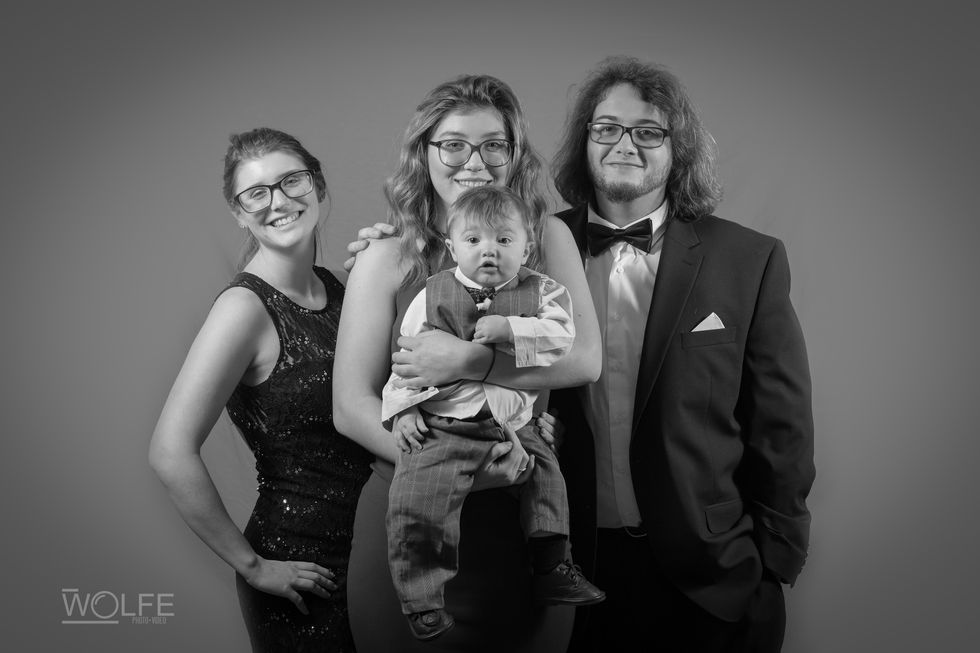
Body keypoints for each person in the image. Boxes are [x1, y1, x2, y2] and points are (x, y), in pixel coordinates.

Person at [348, 56, 815, 653]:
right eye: (607, 129)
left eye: (648, 131)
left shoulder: (559, 241)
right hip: (555, 542)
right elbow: (356, 397)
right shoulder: (441, 250)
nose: (625, 145)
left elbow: (781, 420)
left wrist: (776, 560)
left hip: (698, 564)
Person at [333, 74, 601, 653]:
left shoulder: (546, 237)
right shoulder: (384, 256)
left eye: (493, 145)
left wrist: (470, 360)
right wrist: (456, 469)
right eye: (453, 145)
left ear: (515, 154)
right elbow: (351, 407)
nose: (474, 162)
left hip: (520, 511)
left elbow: (583, 359)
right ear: (423, 153)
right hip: (412, 508)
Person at [149, 128, 371, 652]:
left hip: (370, 551)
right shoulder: (243, 309)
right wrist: (253, 567)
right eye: (257, 193)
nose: (279, 201)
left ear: (317, 184)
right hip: (298, 569)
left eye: (292, 180)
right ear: (238, 212)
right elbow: (169, 452)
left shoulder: (338, 287)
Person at [382, 185, 604, 640]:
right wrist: (403, 411)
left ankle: (552, 565)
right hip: (448, 424)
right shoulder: (432, 294)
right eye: (474, 240)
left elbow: (562, 341)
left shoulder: (542, 292)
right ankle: (422, 599)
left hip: (513, 424)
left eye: (504, 240)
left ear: (527, 246)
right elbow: (406, 359)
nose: (489, 251)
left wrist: (512, 328)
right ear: (452, 248)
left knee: (548, 478)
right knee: (416, 498)